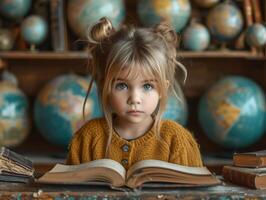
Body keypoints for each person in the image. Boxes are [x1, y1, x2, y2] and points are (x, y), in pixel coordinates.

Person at [66, 17, 203, 169]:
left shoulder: (177, 140)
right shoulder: (87, 138)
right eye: (122, 85)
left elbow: (197, 192)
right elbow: (70, 191)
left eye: (147, 86)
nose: (135, 99)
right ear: (105, 86)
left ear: (162, 90)